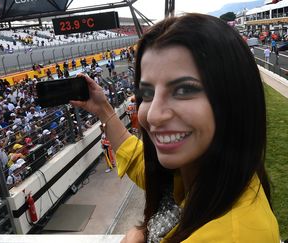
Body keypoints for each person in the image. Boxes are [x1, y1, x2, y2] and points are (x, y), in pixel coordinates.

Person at [71, 13, 279, 242]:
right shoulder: (205, 173)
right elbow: (146, 168)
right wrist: (103, 110)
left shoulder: (230, 236)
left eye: (184, 90)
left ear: (234, 99)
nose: (153, 115)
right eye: (147, 93)